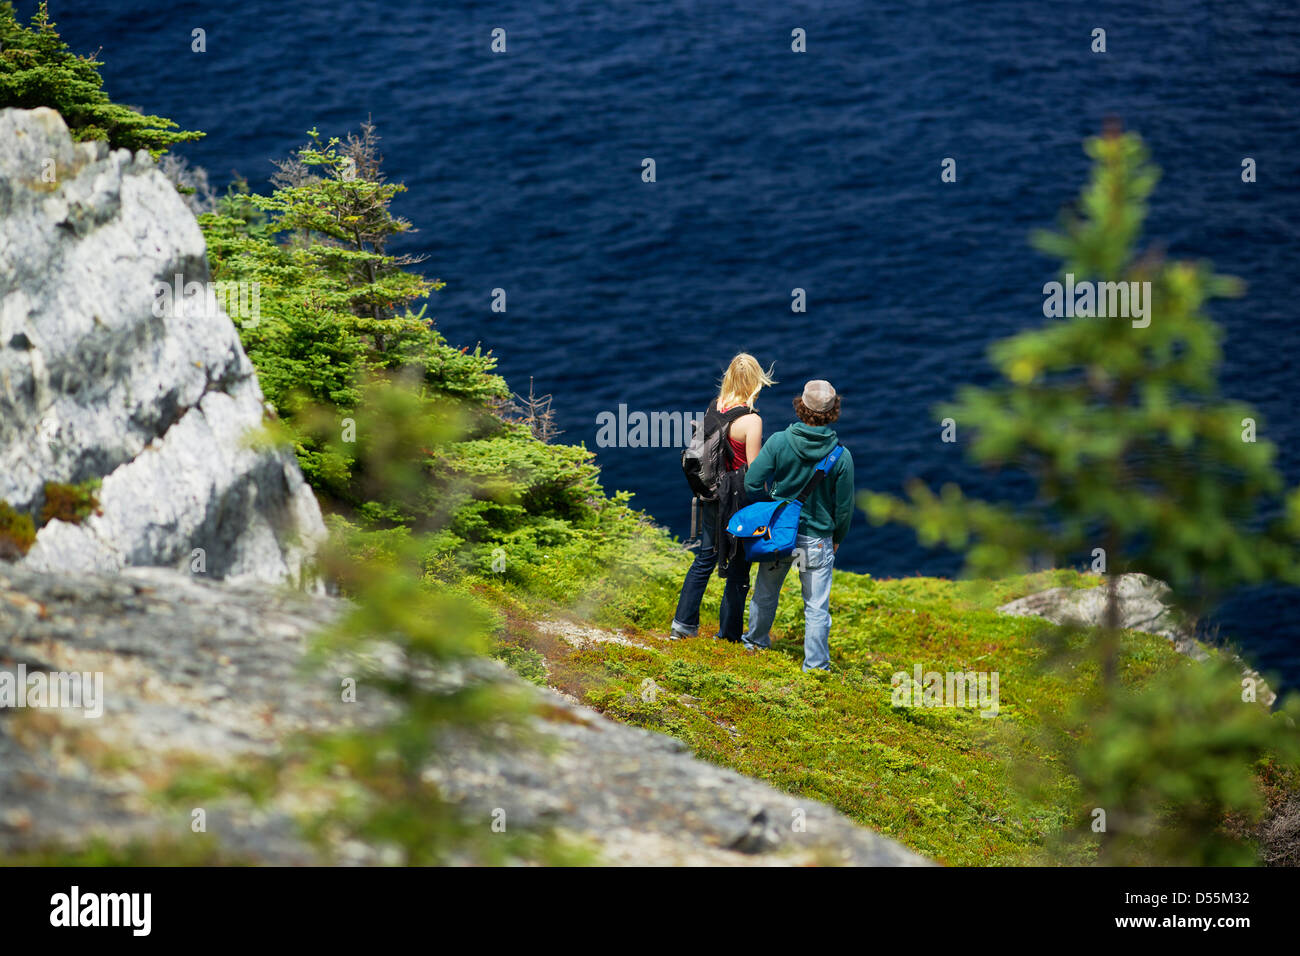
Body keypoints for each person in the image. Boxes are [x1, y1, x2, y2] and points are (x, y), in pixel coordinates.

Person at [740, 380, 854, 671]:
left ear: (801, 406)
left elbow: (752, 481)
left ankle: (755, 643)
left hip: (780, 535)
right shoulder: (841, 457)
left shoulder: (779, 441)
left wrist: (773, 510)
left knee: (766, 592)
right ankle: (815, 666)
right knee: (816, 606)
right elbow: (843, 508)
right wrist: (837, 538)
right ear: (833, 411)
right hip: (816, 540)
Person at [670, 353, 775, 641]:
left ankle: (683, 625)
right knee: (739, 568)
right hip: (738, 501)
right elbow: (753, 473)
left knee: (705, 558)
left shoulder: (714, 406)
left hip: (711, 494)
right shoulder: (752, 421)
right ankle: (728, 637)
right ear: (755, 381)